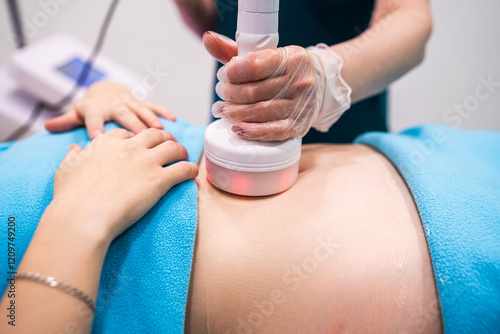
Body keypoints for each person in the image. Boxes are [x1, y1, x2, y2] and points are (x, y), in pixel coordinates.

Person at [0, 127, 443, 334]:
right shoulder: (81, 209)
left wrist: (96, 97)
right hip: (462, 262)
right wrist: (81, 212)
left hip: (438, 158)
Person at [45, 0, 433, 143]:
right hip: (238, 123)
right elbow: (218, 19)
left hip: (343, 136)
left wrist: (325, 76)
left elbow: (409, 21)